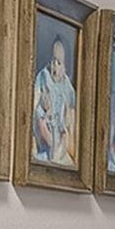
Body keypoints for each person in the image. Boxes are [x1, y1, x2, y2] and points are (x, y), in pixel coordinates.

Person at [32, 34, 77, 167]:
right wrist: (45, 114)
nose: (53, 66)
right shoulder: (43, 78)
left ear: (66, 67)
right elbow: (36, 106)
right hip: (45, 128)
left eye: (58, 63)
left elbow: (70, 115)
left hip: (61, 136)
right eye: (52, 61)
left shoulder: (68, 87)